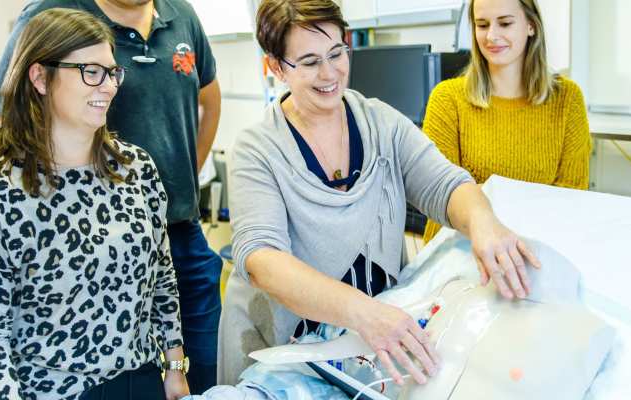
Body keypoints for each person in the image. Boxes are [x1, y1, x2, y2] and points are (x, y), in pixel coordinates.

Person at [218, 0, 542, 386]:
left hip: (368, 347)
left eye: (336, 53)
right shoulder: (258, 149)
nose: (329, 73)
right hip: (286, 350)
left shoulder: (381, 124)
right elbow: (263, 259)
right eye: (308, 62)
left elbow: (446, 184)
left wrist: (483, 223)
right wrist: (365, 314)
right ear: (274, 67)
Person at [0, 0, 223, 391]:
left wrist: (175, 365)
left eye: (112, 73)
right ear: (40, 78)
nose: (109, 87)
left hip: (141, 371)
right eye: (92, 73)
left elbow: (162, 277)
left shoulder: (138, 170)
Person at [422, 0, 592, 242]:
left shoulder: (567, 99)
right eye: (482, 25)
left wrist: (480, 194)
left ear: (531, 25)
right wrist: (533, 199)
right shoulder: (448, 99)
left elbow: (570, 202)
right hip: (463, 252)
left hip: (542, 250)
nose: (491, 36)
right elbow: (442, 199)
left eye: (505, 23)